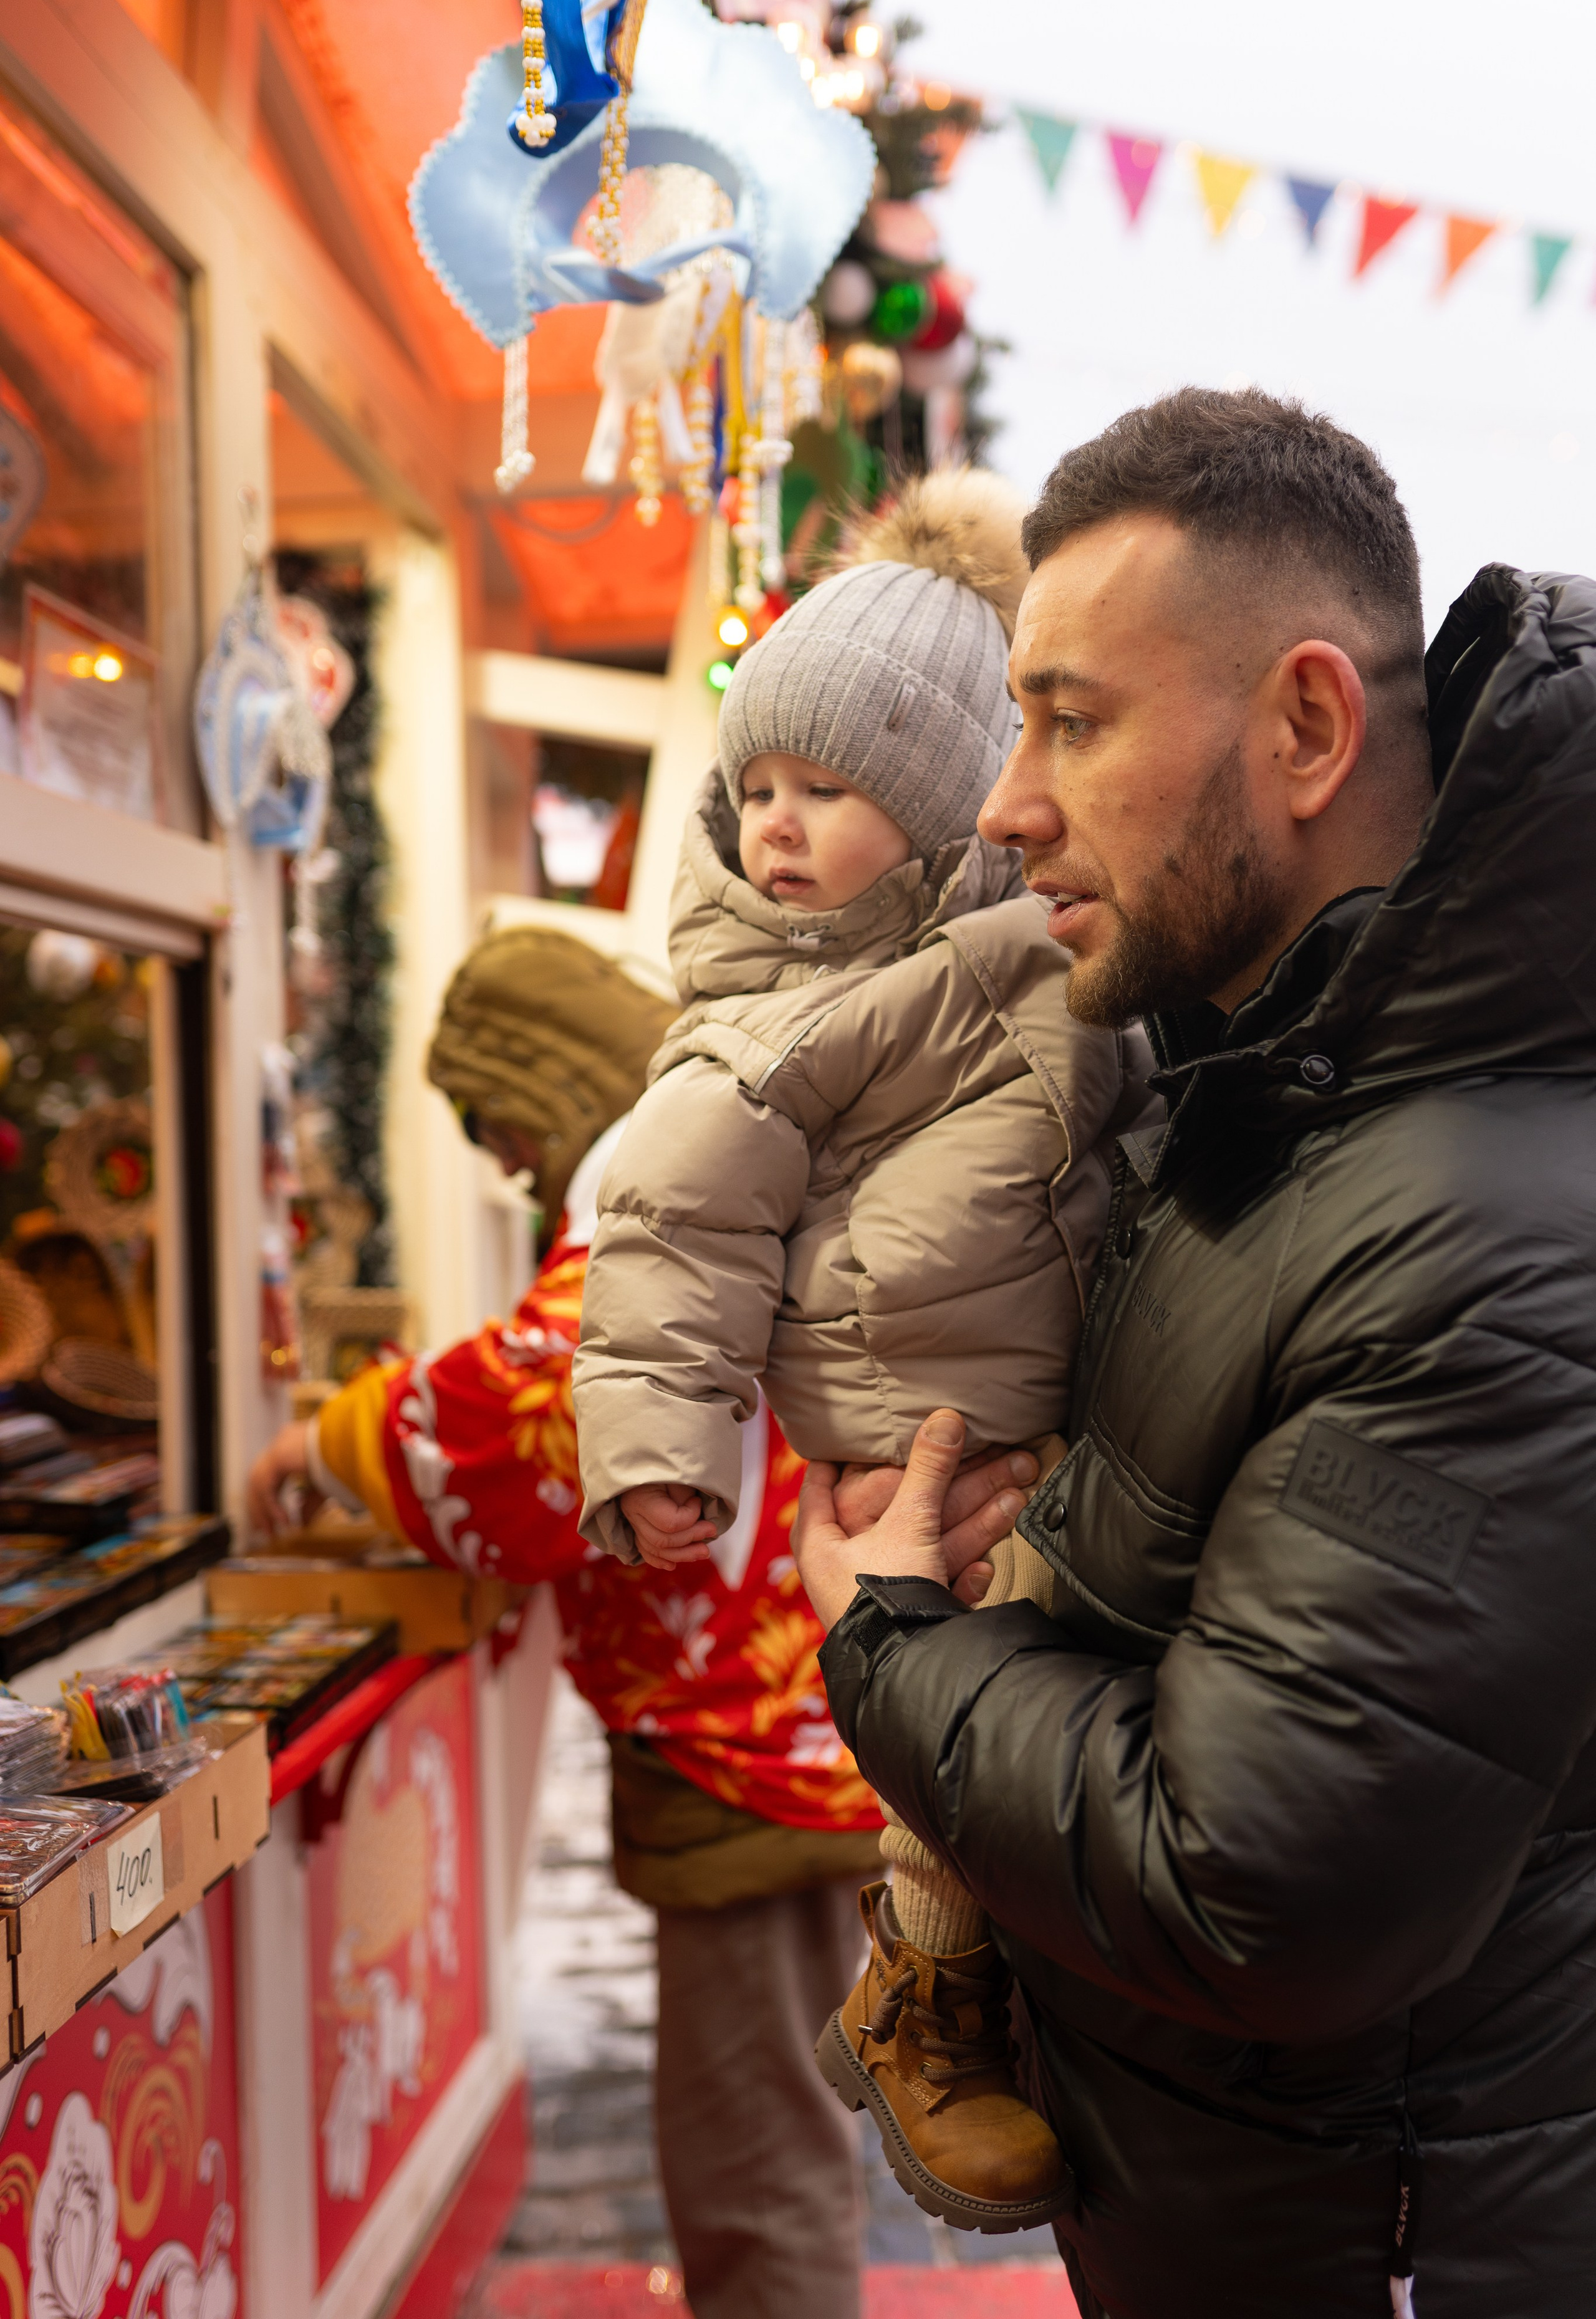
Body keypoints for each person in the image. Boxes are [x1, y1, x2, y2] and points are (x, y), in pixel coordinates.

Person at [794, 386, 1596, 2318]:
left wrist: (896, 1635)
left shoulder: (1483, 1222)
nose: (1006, 802)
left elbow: (1255, 1887)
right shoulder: (1257, 1096)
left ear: (1309, 727)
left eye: (1073, 716)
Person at [247, 926, 1011, 2319]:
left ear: (551, 1085)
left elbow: (531, 1418)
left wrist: (325, 1442)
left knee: (748, 2144)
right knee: (791, 2102)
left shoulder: (653, 1195)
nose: (497, 1160)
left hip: (747, 1757)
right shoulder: (745, 1155)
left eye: (494, 1119)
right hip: (827, 1720)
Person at [572, 471, 1153, 2233]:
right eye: (753, 788)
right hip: (902, 1423)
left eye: (826, 792)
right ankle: (932, 2001)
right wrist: (660, 1445)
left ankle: (1034, 2001)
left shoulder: (1049, 955)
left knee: (1087, 1714)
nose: (777, 826)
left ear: (938, 807)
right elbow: (674, 1227)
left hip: (1062, 1419)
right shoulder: (753, 1023)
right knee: (976, 1711)